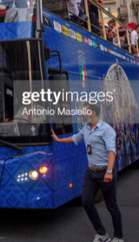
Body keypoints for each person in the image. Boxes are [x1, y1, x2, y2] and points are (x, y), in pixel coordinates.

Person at [52, 102, 123, 242]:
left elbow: (111, 151)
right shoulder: (85, 127)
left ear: (93, 113)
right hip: (91, 172)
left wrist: (109, 171)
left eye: (84, 111)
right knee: (86, 202)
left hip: (105, 171)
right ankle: (102, 234)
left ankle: (118, 237)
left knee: (111, 206)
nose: (82, 114)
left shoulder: (106, 129)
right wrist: (58, 139)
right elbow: (75, 138)